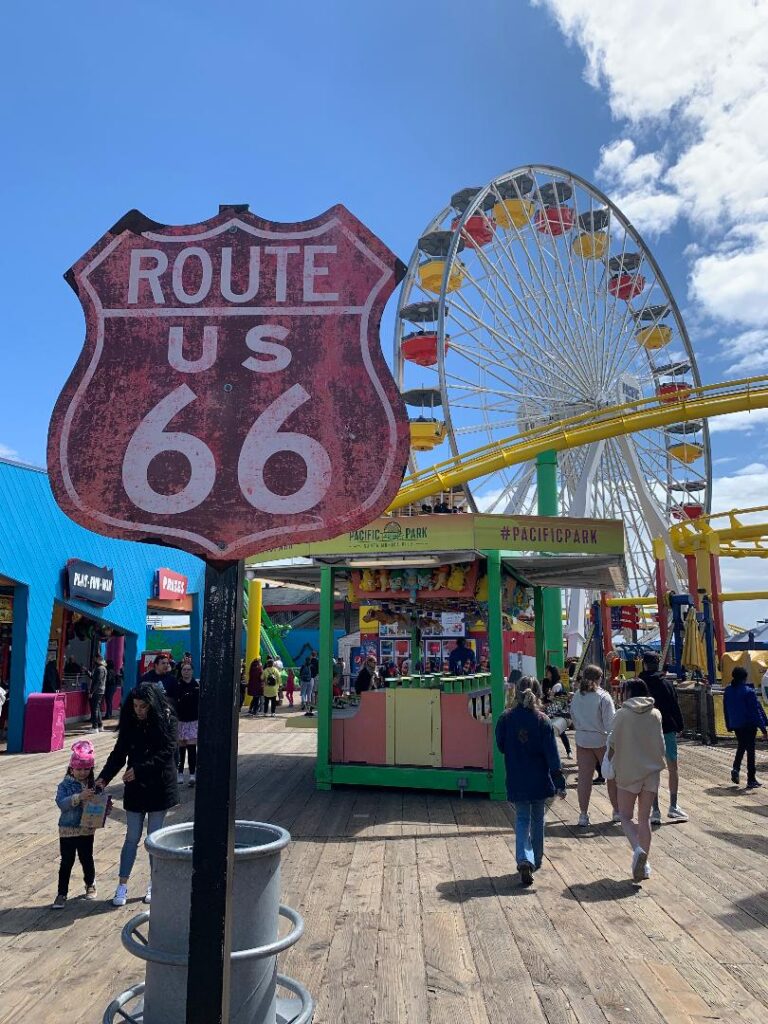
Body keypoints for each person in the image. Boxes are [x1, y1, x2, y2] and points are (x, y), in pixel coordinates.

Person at [95, 682, 179, 907]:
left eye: (143, 707)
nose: (139, 710)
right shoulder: (131, 722)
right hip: (136, 787)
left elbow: (167, 751)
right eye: (135, 706)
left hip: (159, 785)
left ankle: (155, 882)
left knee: (154, 838)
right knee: (131, 837)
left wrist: (139, 769)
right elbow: (119, 753)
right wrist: (103, 779)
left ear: (153, 705)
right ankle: (122, 884)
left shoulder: (168, 720)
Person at [495, 677, 566, 887]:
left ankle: (524, 858)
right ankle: (536, 858)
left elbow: (501, 745)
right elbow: (552, 754)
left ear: (515, 693)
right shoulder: (543, 720)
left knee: (522, 818)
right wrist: (559, 780)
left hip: (517, 776)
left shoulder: (505, 718)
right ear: (538, 693)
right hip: (539, 778)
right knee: (537, 819)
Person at [607, 679, 667, 882]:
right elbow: (661, 743)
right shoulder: (655, 713)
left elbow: (612, 743)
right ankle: (645, 865)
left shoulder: (621, 715)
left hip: (628, 770)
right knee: (645, 819)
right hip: (651, 771)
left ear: (628, 692)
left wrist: (608, 762)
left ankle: (639, 852)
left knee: (625, 816)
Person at [569, 664, 619, 828]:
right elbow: (610, 723)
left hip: (582, 738)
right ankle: (617, 811)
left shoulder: (577, 695)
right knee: (611, 776)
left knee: (584, 778)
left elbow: (573, 717)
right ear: (600, 678)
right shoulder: (603, 697)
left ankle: (583, 814)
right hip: (601, 739)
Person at [639, 653, 687, 822]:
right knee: (672, 767)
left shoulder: (639, 684)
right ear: (658, 665)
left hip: (646, 731)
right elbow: (675, 706)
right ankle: (674, 806)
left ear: (644, 664)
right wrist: (680, 725)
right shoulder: (667, 684)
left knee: (651, 770)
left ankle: (655, 810)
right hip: (667, 729)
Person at [52, 740, 99, 908]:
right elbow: (62, 804)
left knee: (87, 858)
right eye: (78, 769)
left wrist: (103, 807)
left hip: (86, 829)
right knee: (66, 861)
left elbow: (100, 803)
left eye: (87, 769)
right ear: (71, 769)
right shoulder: (64, 785)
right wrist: (78, 797)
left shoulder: (94, 786)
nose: (82, 772)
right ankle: (61, 893)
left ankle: (90, 883)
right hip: (67, 829)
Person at [723, 666, 768, 789]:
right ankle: (751, 778)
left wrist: (729, 724)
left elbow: (725, 710)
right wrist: (764, 729)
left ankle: (736, 768)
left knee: (742, 745)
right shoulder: (749, 692)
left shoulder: (728, 691)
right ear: (745, 677)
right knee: (751, 751)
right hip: (748, 724)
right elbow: (755, 713)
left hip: (736, 724)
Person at [176, 662, 200, 785]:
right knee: (181, 748)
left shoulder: (196, 685)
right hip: (180, 720)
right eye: (184, 669)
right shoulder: (177, 685)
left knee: (191, 747)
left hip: (193, 720)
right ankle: (180, 772)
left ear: (192, 671)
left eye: (188, 669)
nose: (186, 671)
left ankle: (192, 773)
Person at [542, 665, 572, 758]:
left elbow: (551, 698)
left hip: (556, 711)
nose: (546, 673)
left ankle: (568, 751)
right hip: (548, 711)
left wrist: (547, 700)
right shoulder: (546, 682)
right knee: (551, 731)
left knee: (560, 731)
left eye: (548, 672)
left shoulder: (558, 685)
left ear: (552, 673)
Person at [89, 655, 107, 732]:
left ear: (98, 659)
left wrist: (91, 692)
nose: (94, 660)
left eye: (95, 659)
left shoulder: (99, 669)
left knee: (94, 709)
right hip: (101, 690)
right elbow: (95, 678)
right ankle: (100, 725)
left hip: (97, 691)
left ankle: (94, 727)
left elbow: (97, 681)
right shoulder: (103, 668)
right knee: (97, 708)